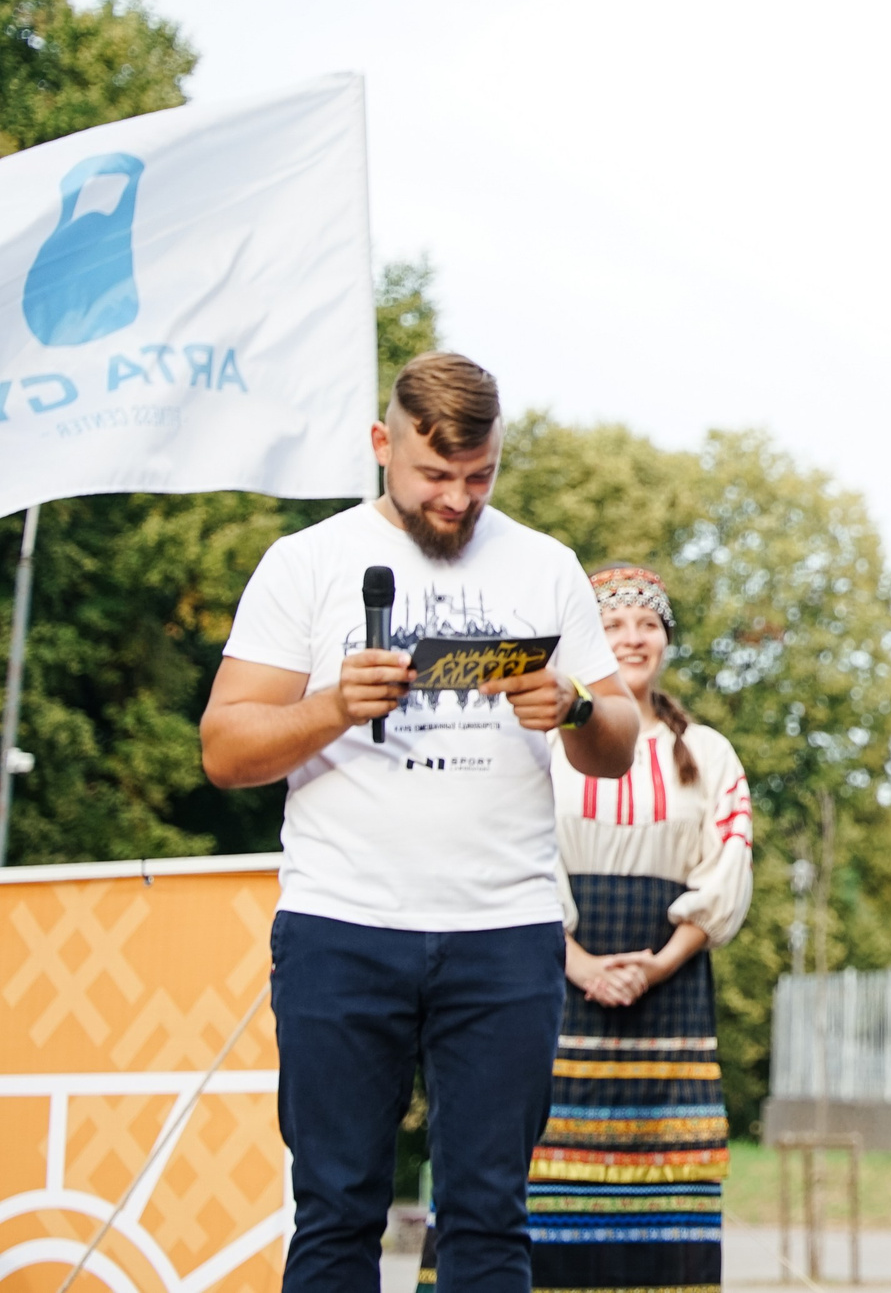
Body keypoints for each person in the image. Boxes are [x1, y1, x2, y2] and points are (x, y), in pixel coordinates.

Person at [201, 352, 642, 1293]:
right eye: (435, 474)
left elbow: (617, 743)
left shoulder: (545, 564)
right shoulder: (307, 561)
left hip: (505, 931)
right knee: (336, 1209)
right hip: (342, 925)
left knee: (490, 1216)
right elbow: (224, 749)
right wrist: (330, 706)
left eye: (479, 476)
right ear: (381, 444)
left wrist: (573, 706)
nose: (456, 498)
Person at [415, 563, 754, 1293]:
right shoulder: (537, 738)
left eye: (647, 624)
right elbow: (505, 848)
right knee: (522, 1164)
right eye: (614, 625)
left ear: (666, 640)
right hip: (544, 971)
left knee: (662, 1193)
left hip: (669, 996)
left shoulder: (710, 753)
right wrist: (579, 964)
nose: (632, 639)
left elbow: (726, 865)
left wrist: (657, 963)